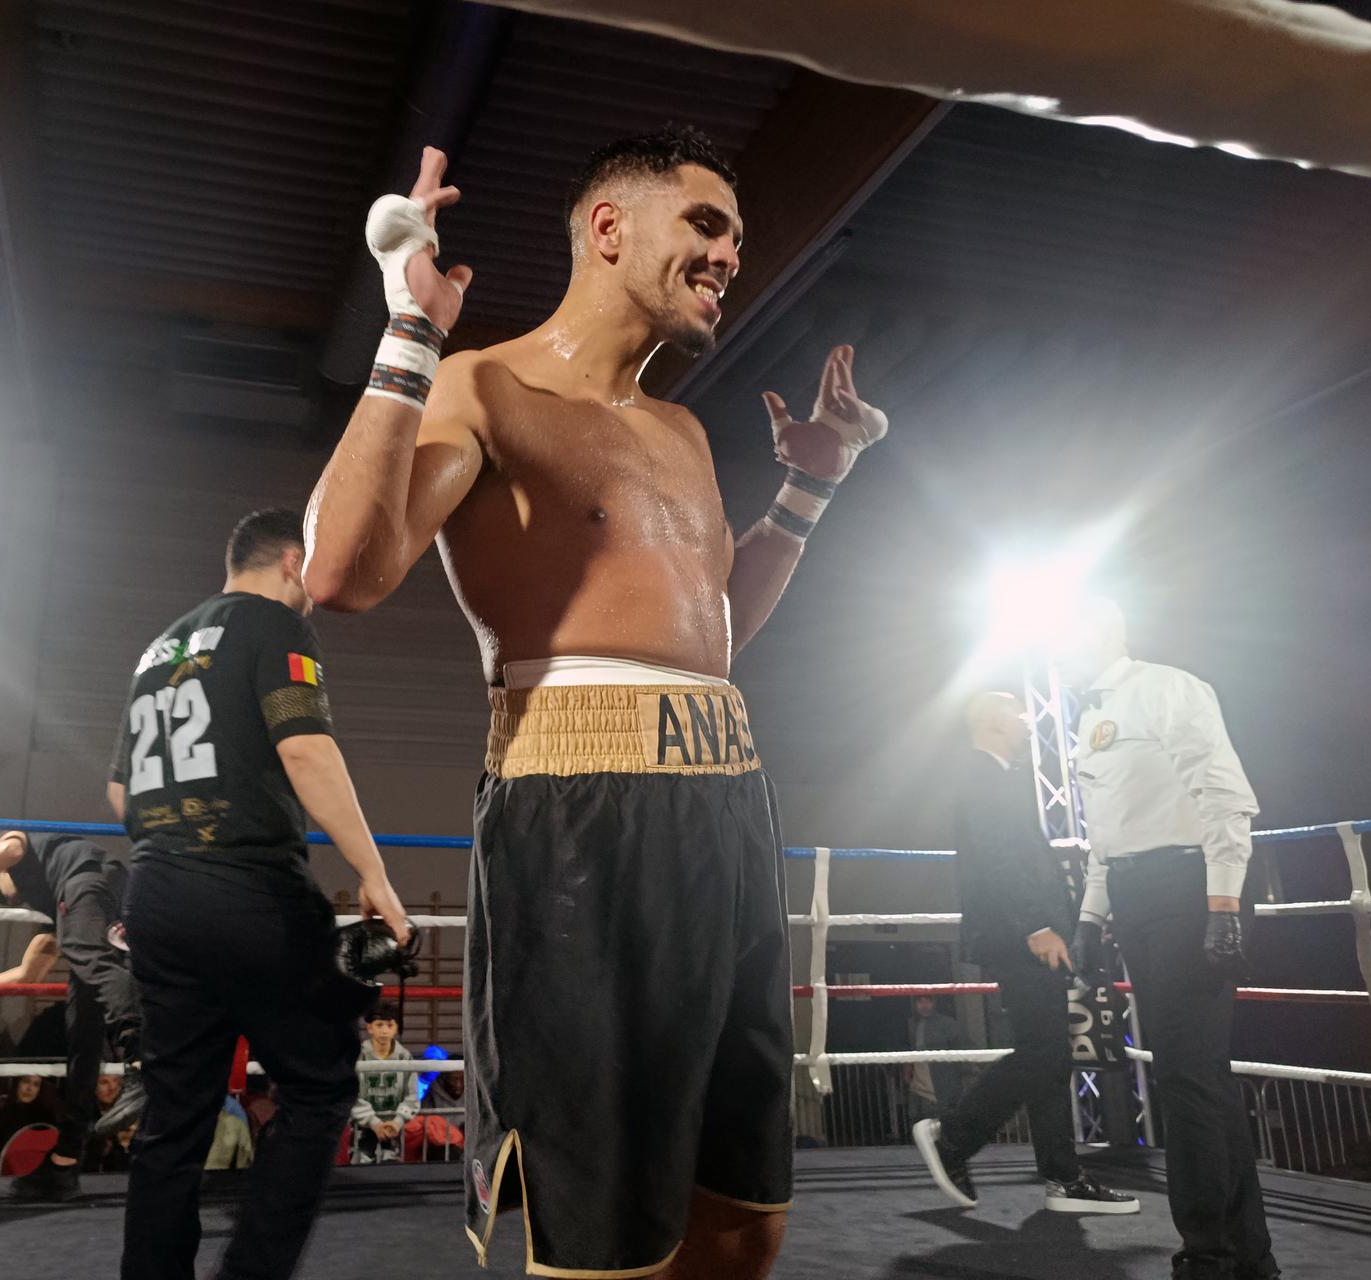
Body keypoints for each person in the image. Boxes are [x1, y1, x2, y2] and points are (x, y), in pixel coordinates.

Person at [305, 127, 887, 1278]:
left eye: (736, 238)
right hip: (577, 813)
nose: (729, 256)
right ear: (610, 227)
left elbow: (713, 633)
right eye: (707, 225)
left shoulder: (680, 430)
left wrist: (811, 486)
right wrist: (411, 328)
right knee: (607, 1238)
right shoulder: (485, 385)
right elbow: (340, 573)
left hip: (728, 803)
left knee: (744, 1208)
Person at [113, 508, 413, 1280]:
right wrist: (374, 872)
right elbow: (306, 746)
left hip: (157, 889)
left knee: (176, 1114)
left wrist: (177, 847)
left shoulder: (159, 648)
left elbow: (120, 788)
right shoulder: (273, 625)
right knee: (319, 1084)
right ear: (291, 559)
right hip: (245, 888)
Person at [1063, 598, 1279, 1280]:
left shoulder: (1166, 687)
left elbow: (1223, 793)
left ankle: (1205, 1250)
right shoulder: (1090, 718)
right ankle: (1247, 1252)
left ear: (1100, 630)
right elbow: (1106, 834)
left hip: (1189, 890)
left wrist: (1223, 902)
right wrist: (1092, 919)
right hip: (1134, 897)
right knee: (1197, 1074)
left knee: (1187, 1077)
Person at [912, 691, 1138, 1215]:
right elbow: (995, 858)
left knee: (1049, 1053)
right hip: (1022, 935)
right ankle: (953, 1136)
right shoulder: (979, 775)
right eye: (1016, 711)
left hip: (1030, 933)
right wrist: (1035, 926)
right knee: (1043, 1053)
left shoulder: (996, 776)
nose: (1025, 720)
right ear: (991, 721)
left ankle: (1062, 1175)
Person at [0, 828, 146, 1199]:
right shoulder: (56, 905)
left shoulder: (23, 848)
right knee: (82, 1031)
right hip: (112, 898)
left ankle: (142, 1061)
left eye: (7, 892)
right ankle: (65, 1162)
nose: (16, 901)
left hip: (92, 881)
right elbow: (28, 974)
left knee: (90, 961)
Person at [349, 1007, 420, 1166]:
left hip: (393, 1128)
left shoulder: (404, 1056)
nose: (384, 1031)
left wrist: (398, 1121)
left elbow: (412, 1094)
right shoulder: (358, 1054)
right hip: (362, 1127)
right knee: (359, 1171)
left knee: (392, 1171)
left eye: (389, 1025)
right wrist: (374, 1122)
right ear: (369, 1028)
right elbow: (350, 1092)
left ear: (396, 1028)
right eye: (379, 1025)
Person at [904, 995, 969, 1122]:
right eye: (920, 1002)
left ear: (934, 1003)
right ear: (915, 1004)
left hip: (942, 1076)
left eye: (928, 1001)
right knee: (917, 1115)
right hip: (920, 1077)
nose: (924, 1005)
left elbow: (963, 1045)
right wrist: (907, 1070)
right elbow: (909, 1049)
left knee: (940, 1114)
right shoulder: (912, 1024)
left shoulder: (947, 1023)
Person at [0, 1073, 59, 1167]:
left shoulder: (47, 1118)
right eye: (26, 1081)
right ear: (17, 1083)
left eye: (36, 1084)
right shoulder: (1, 1115)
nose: (29, 1088)